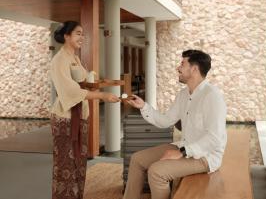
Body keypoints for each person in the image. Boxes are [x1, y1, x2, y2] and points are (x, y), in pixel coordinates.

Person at [123, 49, 227, 199]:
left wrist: (182, 152)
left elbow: (214, 138)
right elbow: (165, 120)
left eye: (182, 64)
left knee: (156, 172)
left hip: (206, 157)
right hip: (185, 146)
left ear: (194, 69)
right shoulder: (183, 95)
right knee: (137, 159)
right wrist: (144, 106)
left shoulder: (212, 96)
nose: (178, 68)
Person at [50, 21, 120, 199]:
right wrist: (103, 96)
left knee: (79, 162)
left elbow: (81, 83)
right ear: (66, 36)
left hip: (81, 114)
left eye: (83, 34)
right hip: (65, 118)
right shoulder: (59, 60)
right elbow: (70, 91)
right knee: (66, 163)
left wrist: (94, 83)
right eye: (78, 33)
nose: (82, 37)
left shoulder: (75, 57)